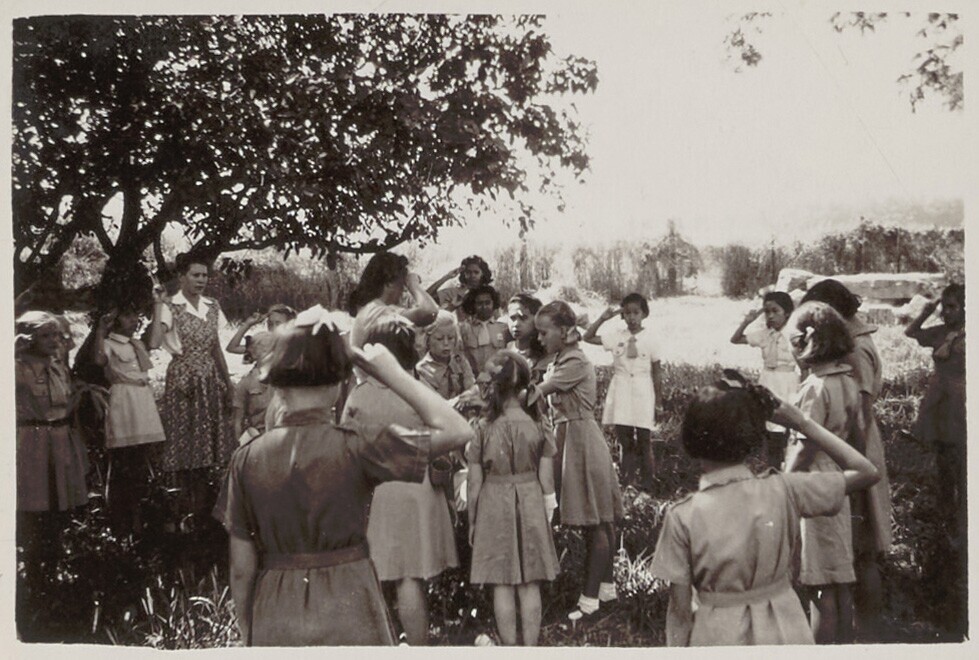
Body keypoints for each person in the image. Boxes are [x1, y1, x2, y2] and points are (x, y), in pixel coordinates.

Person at [214, 305, 474, 646]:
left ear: (276, 386)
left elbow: (241, 567)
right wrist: (394, 374)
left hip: (277, 606)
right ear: (338, 385)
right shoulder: (356, 448)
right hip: (350, 602)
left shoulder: (246, 459)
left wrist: (248, 629)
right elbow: (457, 430)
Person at [651, 373, 879, 646]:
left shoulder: (682, 516)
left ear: (691, 441)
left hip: (717, 636)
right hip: (786, 629)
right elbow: (867, 472)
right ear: (754, 440)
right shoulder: (785, 490)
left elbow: (679, 612)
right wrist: (802, 422)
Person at [340, 321, 458, 646]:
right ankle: (416, 645)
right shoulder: (417, 389)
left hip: (378, 491)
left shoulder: (361, 395)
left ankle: (387, 641)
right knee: (410, 576)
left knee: (383, 572)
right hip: (418, 485)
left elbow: (346, 445)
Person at [801, 279, 890, 639]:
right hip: (850, 452)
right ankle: (859, 633)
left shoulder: (854, 350)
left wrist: (852, 474)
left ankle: (867, 635)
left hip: (853, 454)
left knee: (860, 551)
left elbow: (860, 417)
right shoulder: (852, 341)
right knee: (853, 554)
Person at [528, 301, 624, 621]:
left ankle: (589, 600)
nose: (539, 338)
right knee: (599, 520)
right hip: (572, 437)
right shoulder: (561, 358)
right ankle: (606, 588)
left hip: (580, 440)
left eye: (544, 333)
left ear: (565, 331)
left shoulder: (574, 361)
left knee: (596, 521)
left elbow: (535, 393)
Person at [467, 350, 560, 646]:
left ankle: (509, 648)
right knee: (530, 582)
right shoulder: (540, 424)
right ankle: (529, 648)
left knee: (501, 582)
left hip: (493, 502)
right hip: (530, 498)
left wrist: (472, 520)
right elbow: (547, 479)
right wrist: (548, 510)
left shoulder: (482, 427)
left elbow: (474, 482)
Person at [783, 302, 861, 643]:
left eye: (792, 342)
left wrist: (785, 480)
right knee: (839, 578)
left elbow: (806, 445)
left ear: (807, 342)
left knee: (819, 585)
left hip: (813, 481)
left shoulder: (815, 387)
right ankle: (846, 644)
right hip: (838, 480)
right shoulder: (847, 381)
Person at [147, 252, 236, 532]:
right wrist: (157, 304)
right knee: (185, 442)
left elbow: (216, 348)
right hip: (183, 379)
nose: (201, 280)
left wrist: (228, 383)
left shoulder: (212, 306)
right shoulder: (170, 306)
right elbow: (154, 342)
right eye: (195, 275)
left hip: (209, 377)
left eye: (205, 275)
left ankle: (205, 511)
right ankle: (183, 511)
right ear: (181, 277)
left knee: (208, 445)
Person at [15, 311, 90, 620]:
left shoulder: (58, 366)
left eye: (56, 335)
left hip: (60, 439)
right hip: (33, 442)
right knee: (35, 508)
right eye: (45, 335)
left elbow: (64, 403)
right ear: (27, 337)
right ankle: (33, 577)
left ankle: (55, 571)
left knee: (60, 507)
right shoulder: (17, 367)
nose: (53, 341)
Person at [91, 304, 166, 536]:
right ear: (114, 320)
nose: (133, 320)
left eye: (135, 315)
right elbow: (99, 360)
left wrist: (158, 304)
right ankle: (119, 520)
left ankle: (141, 516)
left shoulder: (137, 344)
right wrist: (100, 331)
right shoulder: (109, 343)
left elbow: (155, 341)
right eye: (127, 315)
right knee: (123, 459)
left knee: (141, 457)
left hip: (142, 401)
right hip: (124, 401)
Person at [584, 293, 664, 492]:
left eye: (636, 312)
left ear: (644, 314)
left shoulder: (651, 338)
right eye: (627, 313)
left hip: (643, 390)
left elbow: (657, 372)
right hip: (621, 389)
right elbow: (588, 337)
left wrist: (658, 401)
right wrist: (603, 318)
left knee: (644, 439)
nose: (632, 317)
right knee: (624, 439)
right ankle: (628, 483)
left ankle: (648, 484)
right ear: (622, 315)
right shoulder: (617, 336)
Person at [905, 283, 966, 539]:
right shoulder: (940, 331)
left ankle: (964, 519)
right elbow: (911, 332)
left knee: (962, 459)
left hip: (960, 400)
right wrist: (926, 312)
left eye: (953, 307)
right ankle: (947, 520)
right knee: (943, 459)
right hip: (939, 400)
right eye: (945, 307)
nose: (947, 312)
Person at [730, 291, 800, 468]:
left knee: (790, 426)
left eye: (775, 311)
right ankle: (772, 468)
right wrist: (747, 321)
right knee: (770, 428)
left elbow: (805, 364)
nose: (770, 316)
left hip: (789, 382)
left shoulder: (794, 335)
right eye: (767, 311)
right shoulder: (764, 335)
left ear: (787, 313)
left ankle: (790, 467)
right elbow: (735, 340)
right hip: (769, 380)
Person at [347, 251, 438, 351]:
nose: (403, 290)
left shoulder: (368, 310)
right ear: (389, 283)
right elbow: (430, 311)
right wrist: (413, 284)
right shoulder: (377, 312)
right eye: (401, 284)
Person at [415, 310, 480, 408]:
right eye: (439, 339)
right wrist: (461, 399)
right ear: (427, 340)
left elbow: (472, 386)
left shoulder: (459, 361)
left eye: (450, 338)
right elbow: (434, 404)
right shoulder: (422, 370)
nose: (446, 343)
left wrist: (471, 393)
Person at [232, 332, 277, 445]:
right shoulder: (246, 383)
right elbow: (237, 421)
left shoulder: (286, 380)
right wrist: (241, 447)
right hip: (258, 439)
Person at [459, 285, 508, 377]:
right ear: (473, 305)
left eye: (487, 303)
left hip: (498, 378)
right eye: (479, 303)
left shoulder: (503, 328)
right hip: (472, 378)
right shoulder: (464, 329)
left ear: (494, 303)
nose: (484, 307)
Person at [427, 255, 493, 319]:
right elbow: (426, 297)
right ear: (464, 274)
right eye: (468, 272)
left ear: (482, 274)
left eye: (476, 272)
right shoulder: (454, 293)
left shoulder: (490, 294)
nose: (472, 275)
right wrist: (447, 277)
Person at [505, 293, 551, 384]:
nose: (516, 324)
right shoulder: (508, 348)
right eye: (512, 318)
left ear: (537, 320)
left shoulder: (546, 352)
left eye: (523, 318)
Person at [225, 304, 297, 355]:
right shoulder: (266, 345)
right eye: (270, 324)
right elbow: (232, 348)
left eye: (278, 324)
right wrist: (247, 324)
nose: (273, 328)